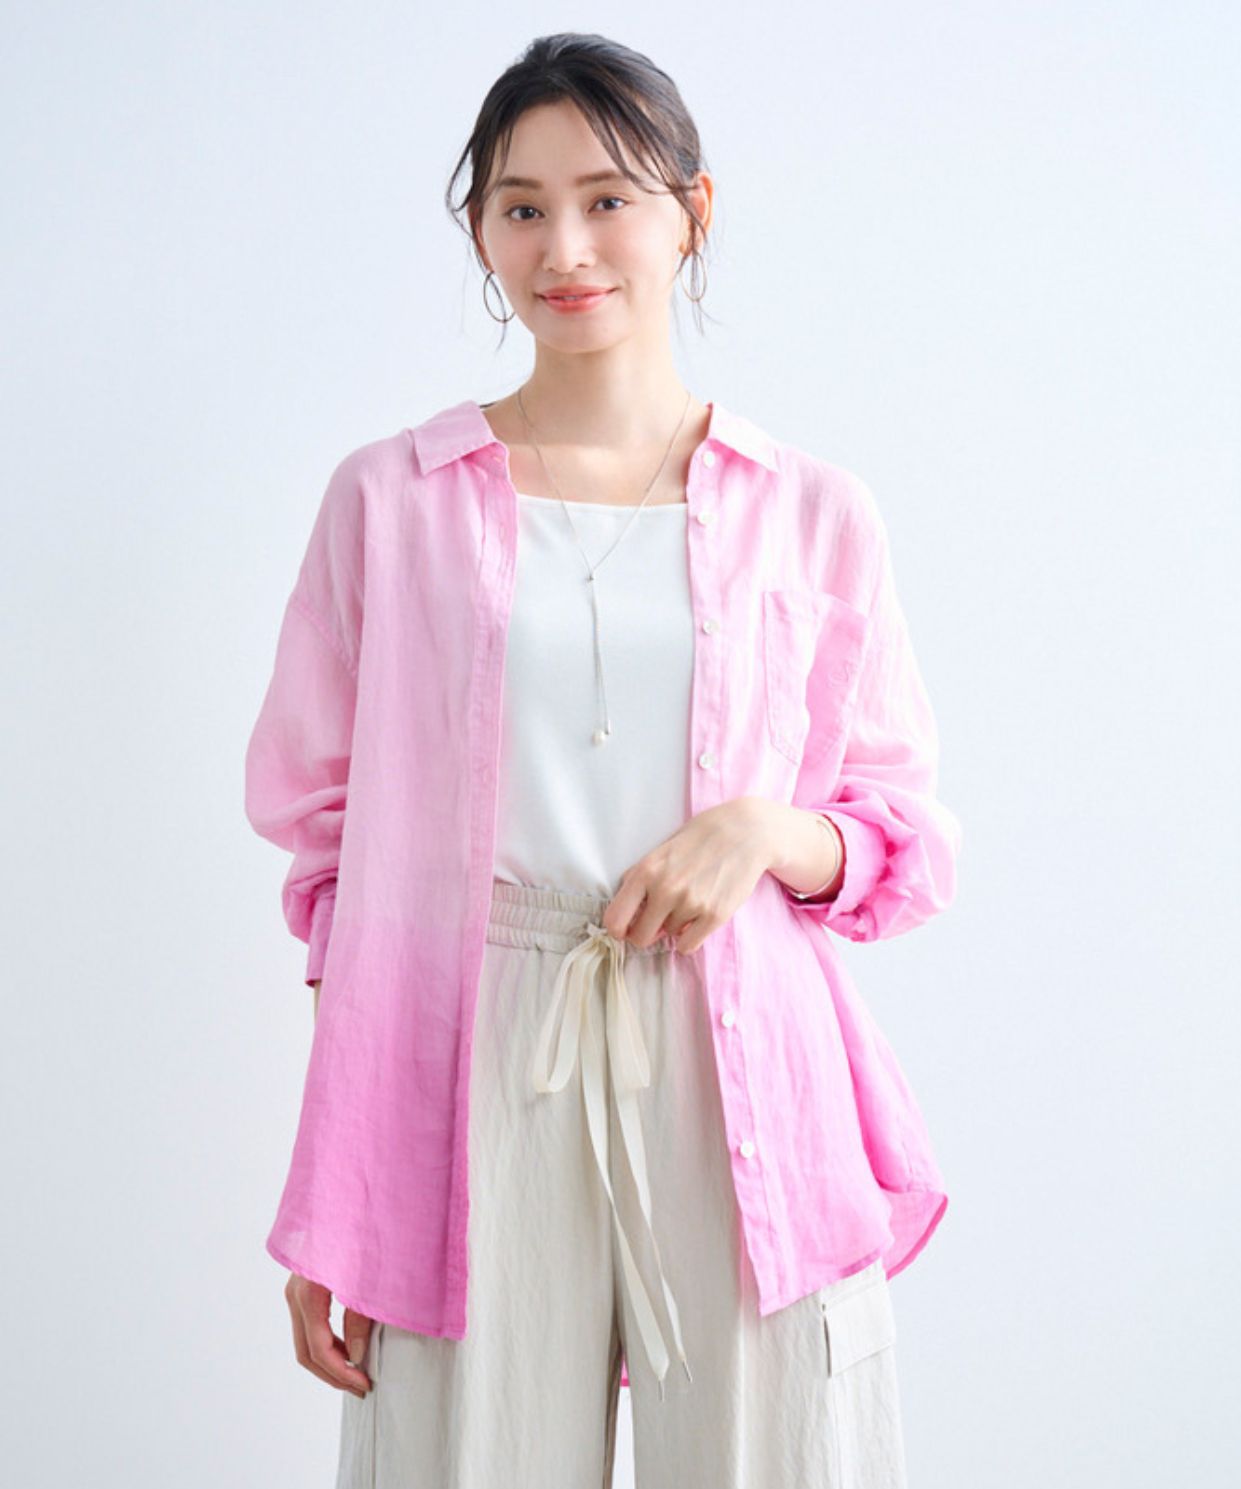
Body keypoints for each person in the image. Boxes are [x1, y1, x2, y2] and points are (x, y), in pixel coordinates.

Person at [244, 31, 962, 1489]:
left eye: (608, 199)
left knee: (776, 1460)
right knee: (462, 1459)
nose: (564, 248)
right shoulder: (389, 502)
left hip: (740, 1042)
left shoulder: (812, 511)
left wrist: (761, 832)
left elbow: (899, 832)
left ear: (693, 212)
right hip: (474, 1046)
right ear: (480, 232)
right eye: (521, 207)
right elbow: (334, 862)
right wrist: (344, 1193)